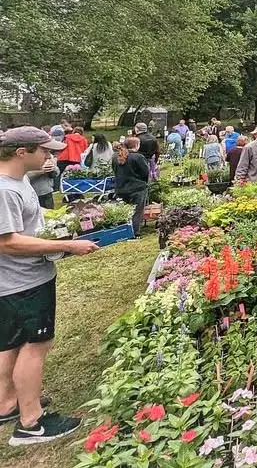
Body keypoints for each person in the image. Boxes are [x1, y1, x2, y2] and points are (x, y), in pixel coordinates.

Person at [0, 127, 99, 446]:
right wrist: (68, 247)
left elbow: (29, 223)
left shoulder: (19, 181)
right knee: (35, 347)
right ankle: (31, 423)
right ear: (21, 152)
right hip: (22, 283)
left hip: (18, 282)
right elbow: (8, 242)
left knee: (11, 345)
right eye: (44, 151)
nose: (51, 156)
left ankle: (6, 405)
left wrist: (64, 223)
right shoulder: (4, 190)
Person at [112, 137, 150, 238]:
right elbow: (145, 172)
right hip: (137, 188)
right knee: (137, 211)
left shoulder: (115, 156)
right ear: (136, 146)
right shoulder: (138, 157)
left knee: (123, 211)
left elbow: (114, 171)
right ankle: (134, 232)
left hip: (120, 188)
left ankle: (121, 232)